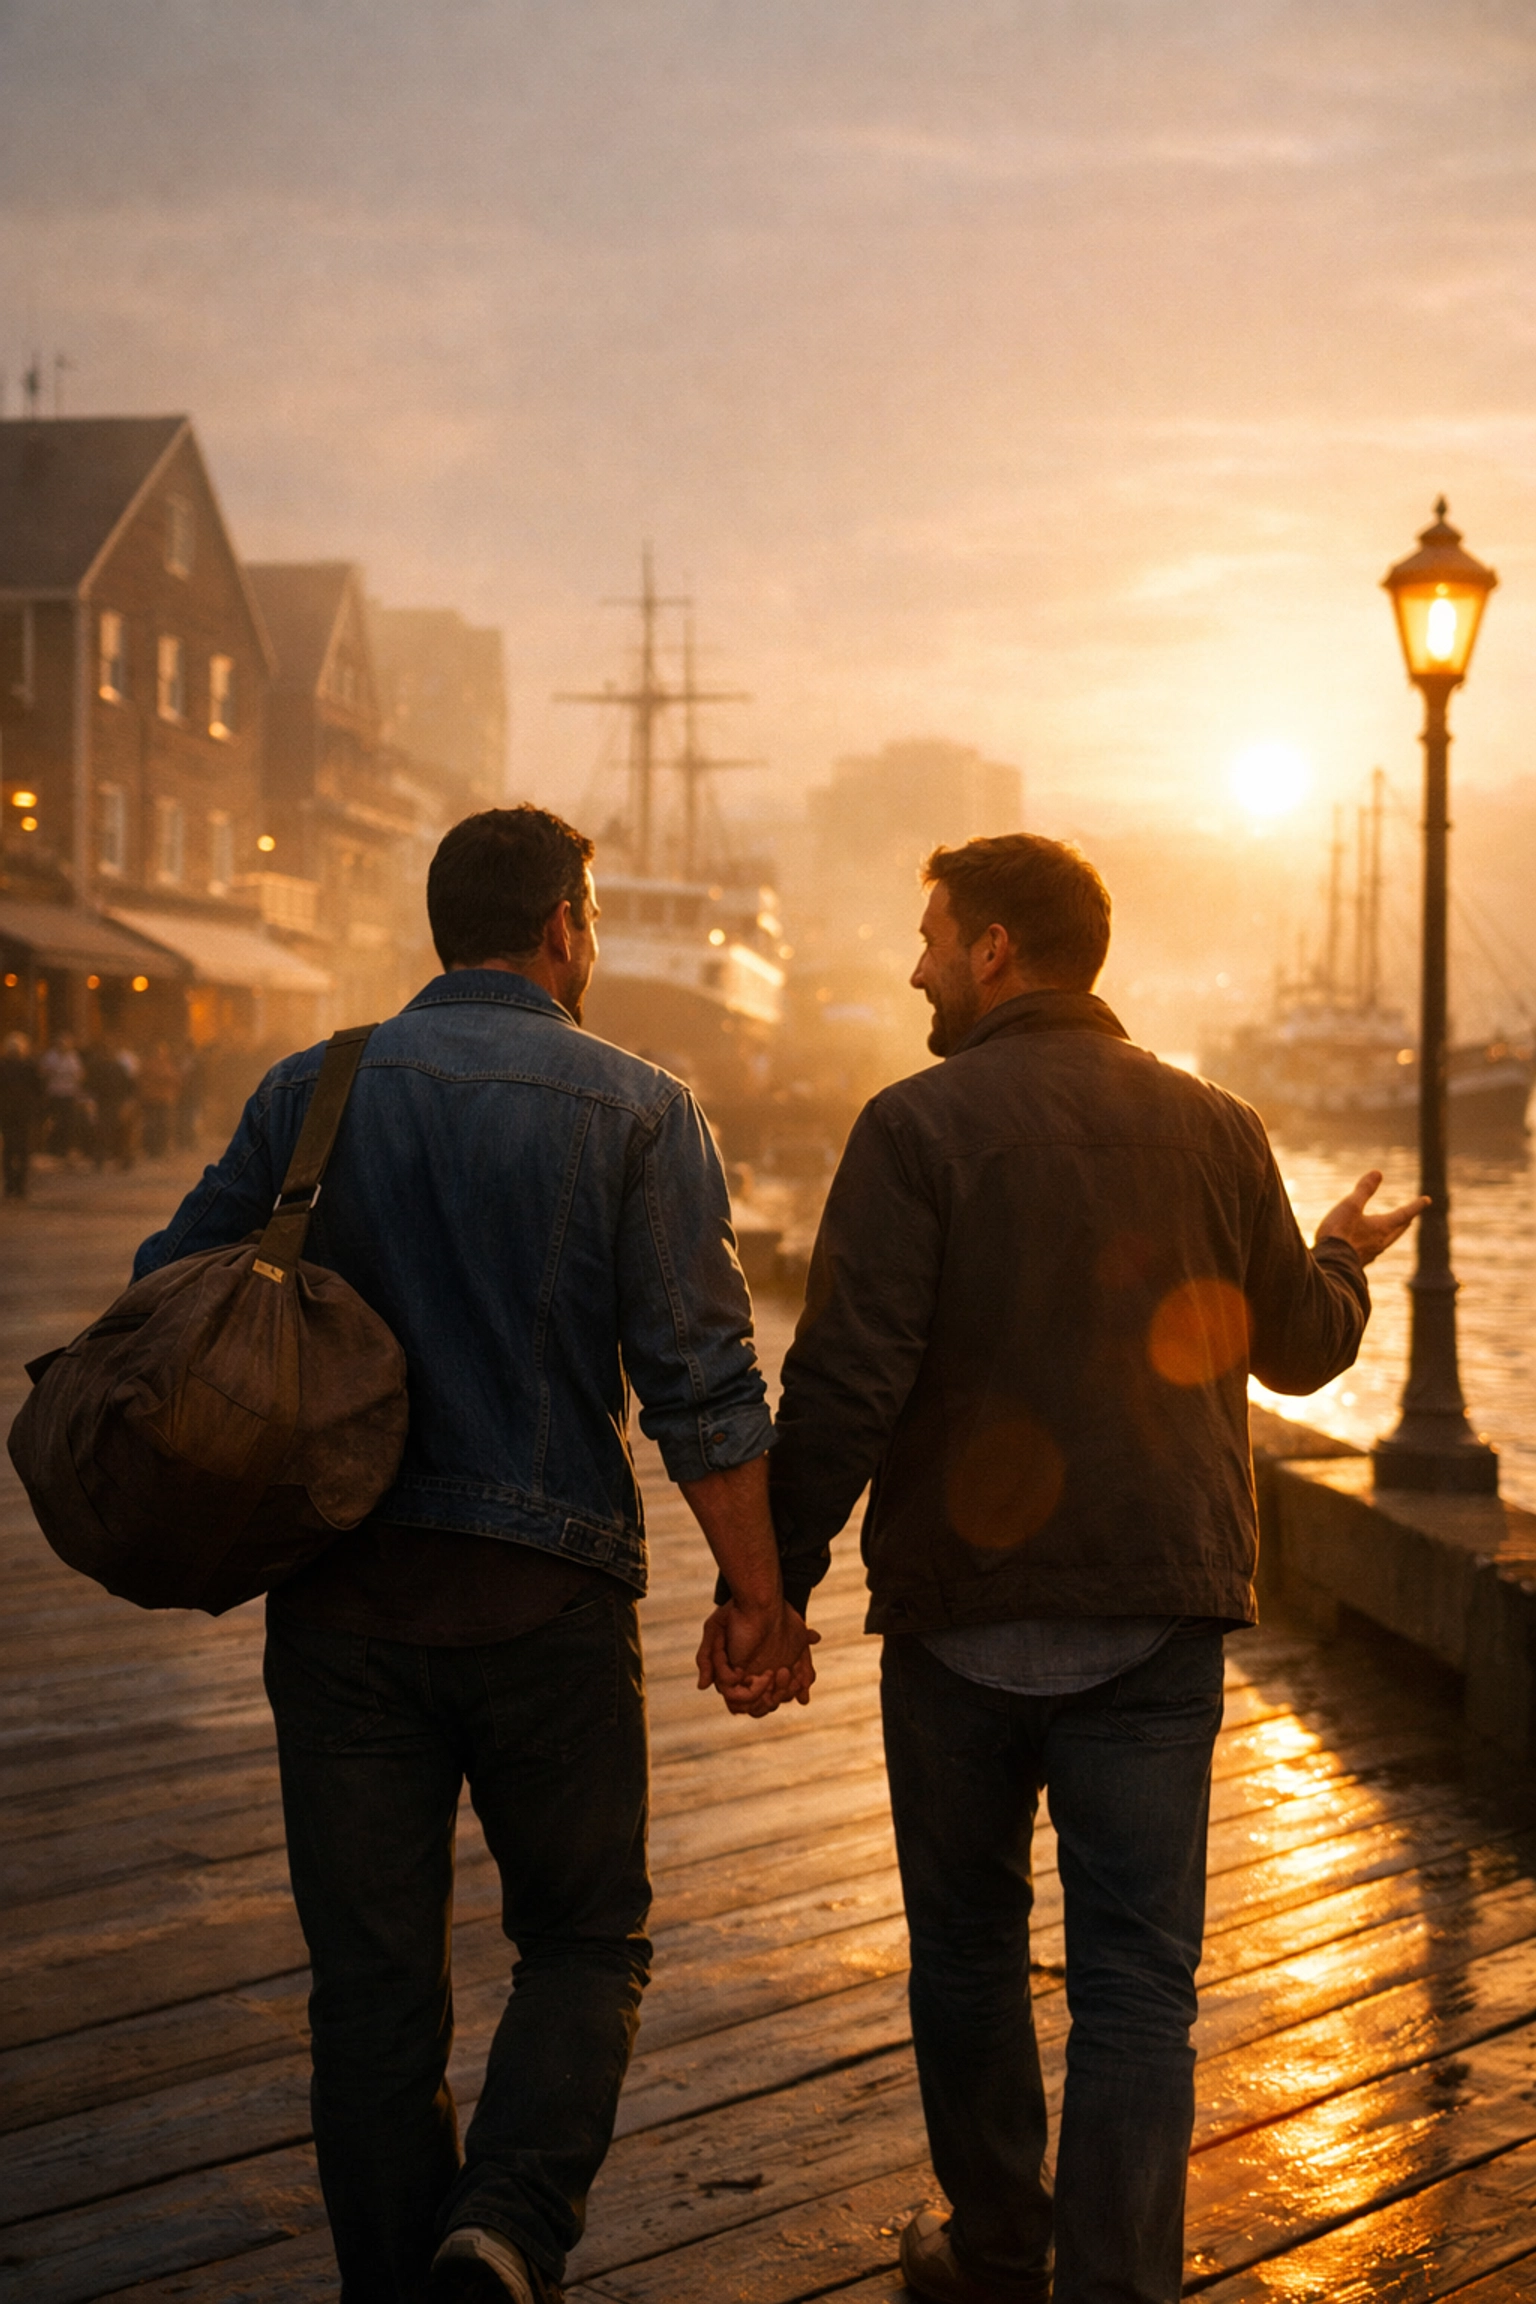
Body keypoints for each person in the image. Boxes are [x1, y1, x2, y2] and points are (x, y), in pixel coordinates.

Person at [132, 806, 815, 2304]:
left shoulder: (314, 1091)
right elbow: (704, 1381)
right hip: (549, 1602)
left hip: (343, 1604)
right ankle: (501, 2229)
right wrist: (755, 1595)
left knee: (371, 1996)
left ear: (441, 930)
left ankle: (400, 2279)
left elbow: (163, 1293)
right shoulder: (643, 1106)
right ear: (569, 929)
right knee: (584, 1942)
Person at [752, 834, 1424, 2304]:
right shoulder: (1218, 1126)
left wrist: (772, 1588)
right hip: (1153, 1615)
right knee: (1137, 1988)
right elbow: (1303, 1347)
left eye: (930, 934)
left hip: (959, 1623)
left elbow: (848, 1384)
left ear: (996, 951)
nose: (915, 961)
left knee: (971, 1949)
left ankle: (997, 2249)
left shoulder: (914, 1129)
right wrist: (1346, 1253)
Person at [0, 1031, 42, 1198]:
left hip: (15, 1114)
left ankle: (16, 1185)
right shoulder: (28, 1066)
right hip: (15, 1114)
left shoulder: (27, 1067)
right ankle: (16, 1185)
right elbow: (39, 1091)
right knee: (17, 1150)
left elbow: (38, 1090)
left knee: (15, 1149)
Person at [37, 1031, 85, 1162]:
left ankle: (66, 1148)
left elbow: (80, 1074)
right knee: (54, 1121)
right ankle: (54, 1147)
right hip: (54, 1093)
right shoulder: (50, 1056)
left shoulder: (73, 1057)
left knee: (68, 1121)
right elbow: (42, 1072)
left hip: (69, 1093)